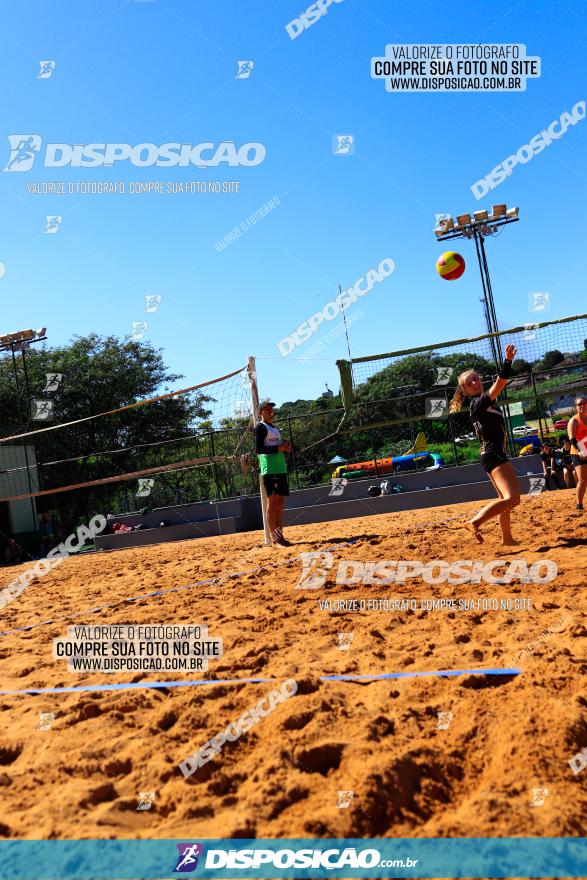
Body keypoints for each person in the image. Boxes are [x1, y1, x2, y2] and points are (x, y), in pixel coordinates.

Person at [449, 343, 521, 546]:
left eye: (475, 377)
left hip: (491, 455)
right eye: (468, 382)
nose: (474, 381)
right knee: (513, 499)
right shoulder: (480, 402)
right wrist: (507, 361)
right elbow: (500, 383)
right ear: (464, 390)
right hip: (493, 454)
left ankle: (507, 539)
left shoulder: (479, 404)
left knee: (503, 499)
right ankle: (475, 521)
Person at [254, 399, 292, 546]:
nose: (270, 410)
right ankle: (276, 538)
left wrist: (286, 447)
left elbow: (276, 446)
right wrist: (278, 449)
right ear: (260, 412)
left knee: (281, 503)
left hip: (280, 468)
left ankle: (280, 535)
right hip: (269, 469)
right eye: (267, 408)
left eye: (271, 408)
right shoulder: (260, 427)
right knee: (273, 502)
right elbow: (259, 450)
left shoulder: (274, 428)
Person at [567, 395, 587, 510]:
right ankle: (579, 505)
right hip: (577, 452)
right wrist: (580, 451)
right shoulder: (574, 421)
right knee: (582, 480)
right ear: (576, 407)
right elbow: (572, 438)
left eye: (583, 403)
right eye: (579, 404)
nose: (581, 406)